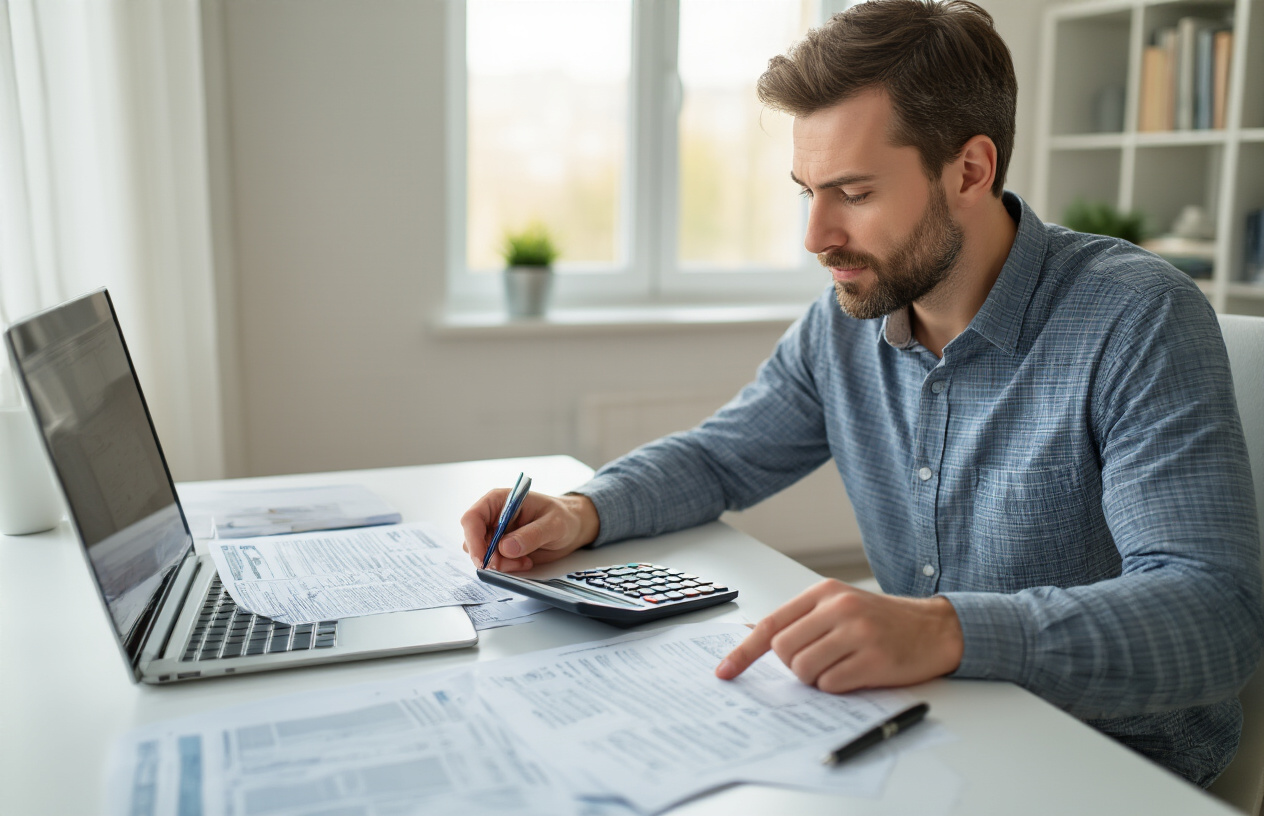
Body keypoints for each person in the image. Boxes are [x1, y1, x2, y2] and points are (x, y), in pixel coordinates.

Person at [461, 0, 1262, 787]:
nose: (815, 236)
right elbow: (722, 459)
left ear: (970, 171)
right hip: (932, 727)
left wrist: (944, 632)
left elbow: (1216, 615)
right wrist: (583, 510)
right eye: (808, 191)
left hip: (1109, 763)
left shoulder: (1135, 315)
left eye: (855, 192)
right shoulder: (848, 318)